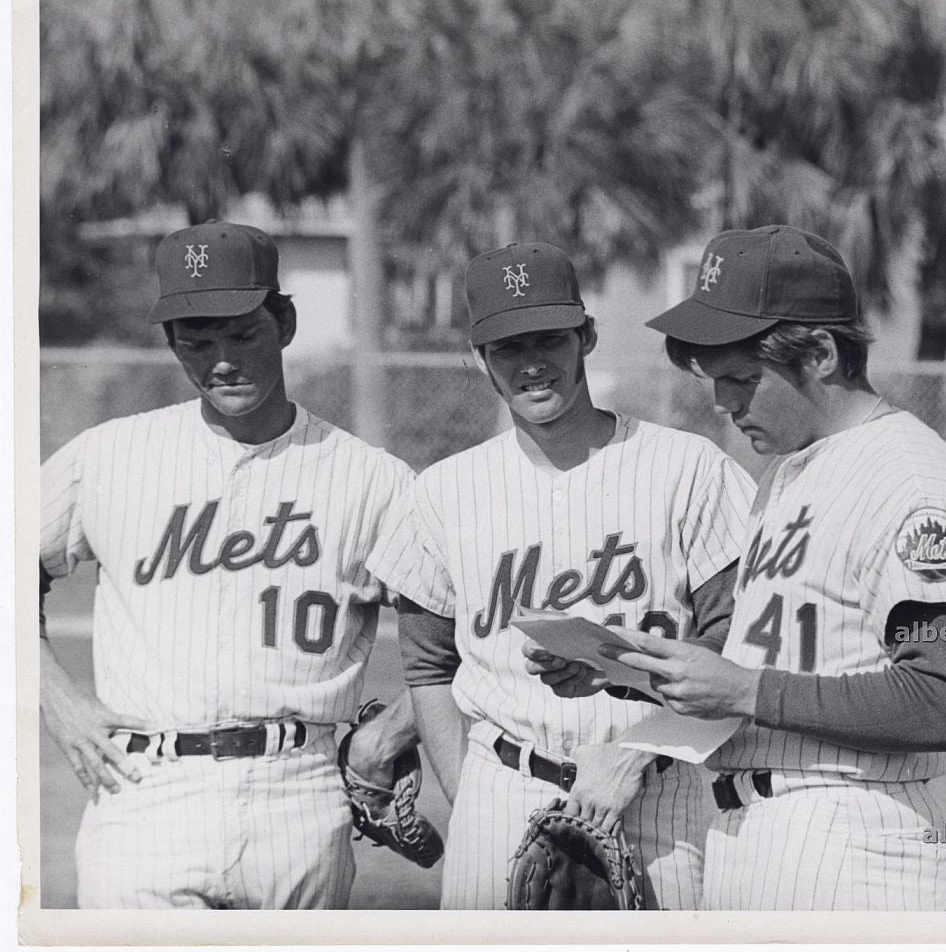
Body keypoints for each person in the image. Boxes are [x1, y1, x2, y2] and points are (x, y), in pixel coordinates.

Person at [599, 224, 946, 911]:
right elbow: (776, 657)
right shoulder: (788, 472)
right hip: (753, 831)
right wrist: (628, 669)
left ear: (817, 352)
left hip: (853, 839)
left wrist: (748, 691)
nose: (723, 404)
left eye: (743, 380)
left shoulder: (911, 479)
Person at [363, 240, 755, 909]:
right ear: (480, 357)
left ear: (586, 337)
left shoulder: (688, 470)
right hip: (503, 787)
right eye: (508, 347)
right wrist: (471, 796)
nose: (532, 364)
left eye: (549, 339)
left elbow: (739, 643)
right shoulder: (443, 492)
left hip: (655, 791)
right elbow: (428, 668)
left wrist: (640, 753)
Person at [39, 221, 416, 909]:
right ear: (171, 341)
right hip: (143, 788)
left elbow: (470, 631)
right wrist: (55, 701)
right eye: (197, 338)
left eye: (241, 332)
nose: (220, 359)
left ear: (285, 322)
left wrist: (386, 738)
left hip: (298, 791)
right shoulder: (109, 457)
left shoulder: (372, 480)